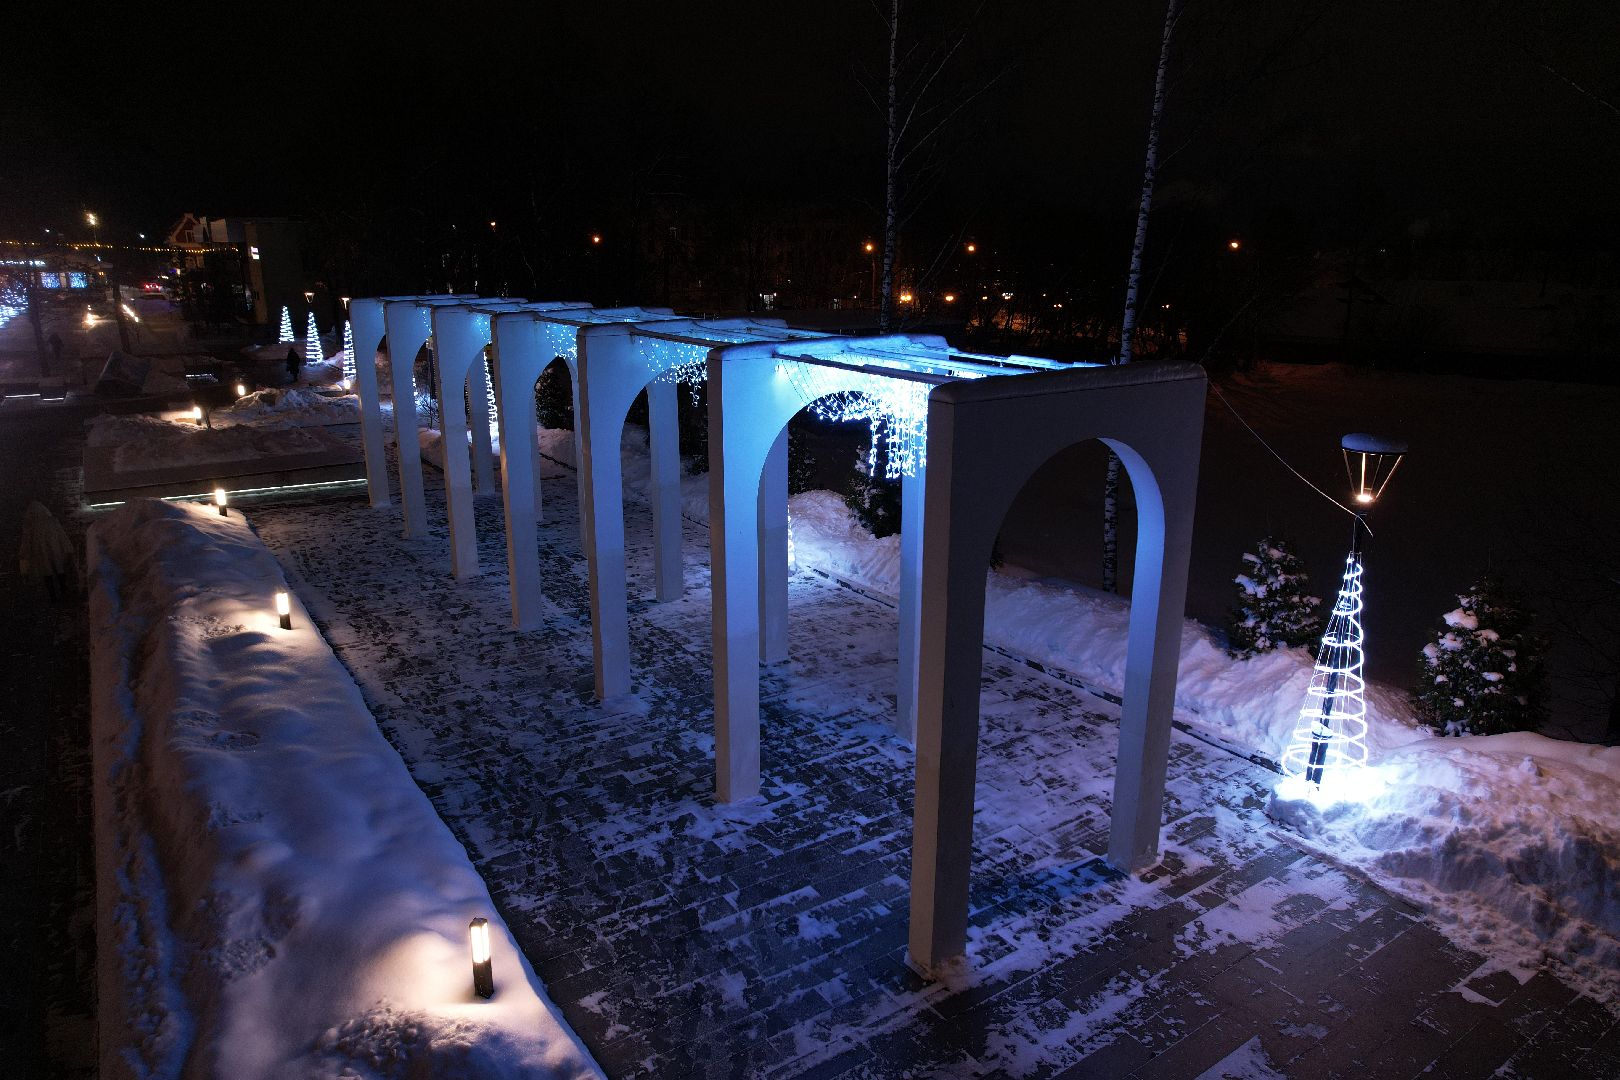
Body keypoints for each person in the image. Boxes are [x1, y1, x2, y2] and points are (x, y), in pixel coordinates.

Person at [18, 500, 77, 601]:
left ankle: (53, 595)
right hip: (55, 548)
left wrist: (24, 554)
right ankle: (64, 590)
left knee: (46, 572)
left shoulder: (30, 525)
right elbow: (62, 535)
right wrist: (68, 548)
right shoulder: (52, 521)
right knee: (59, 568)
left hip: (40, 551)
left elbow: (26, 541)